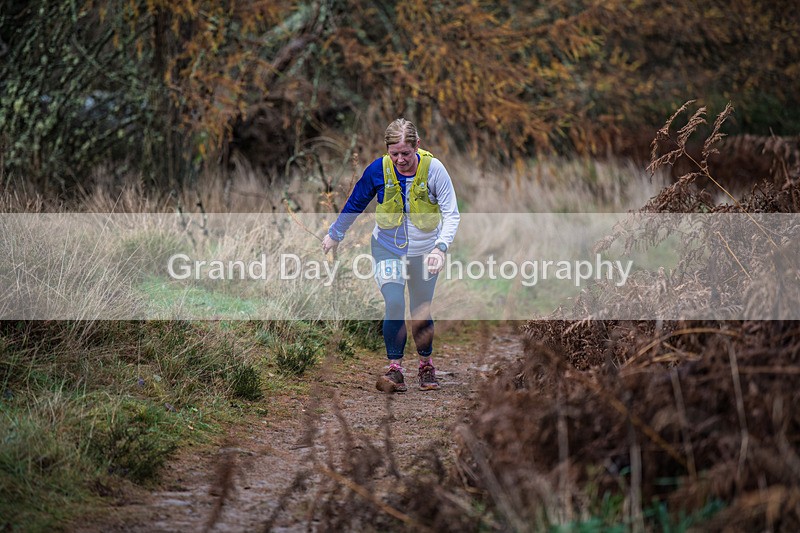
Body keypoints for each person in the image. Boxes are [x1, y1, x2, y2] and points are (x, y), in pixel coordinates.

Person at [321, 118, 460, 392]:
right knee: (395, 302)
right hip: (387, 248)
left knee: (420, 309)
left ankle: (426, 365)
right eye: (394, 153)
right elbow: (356, 202)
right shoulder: (378, 170)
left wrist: (440, 248)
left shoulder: (435, 170)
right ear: (387, 150)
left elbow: (451, 214)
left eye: (405, 153)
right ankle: (395, 370)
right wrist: (335, 233)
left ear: (417, 146)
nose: (400, 160)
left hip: (425, 252)